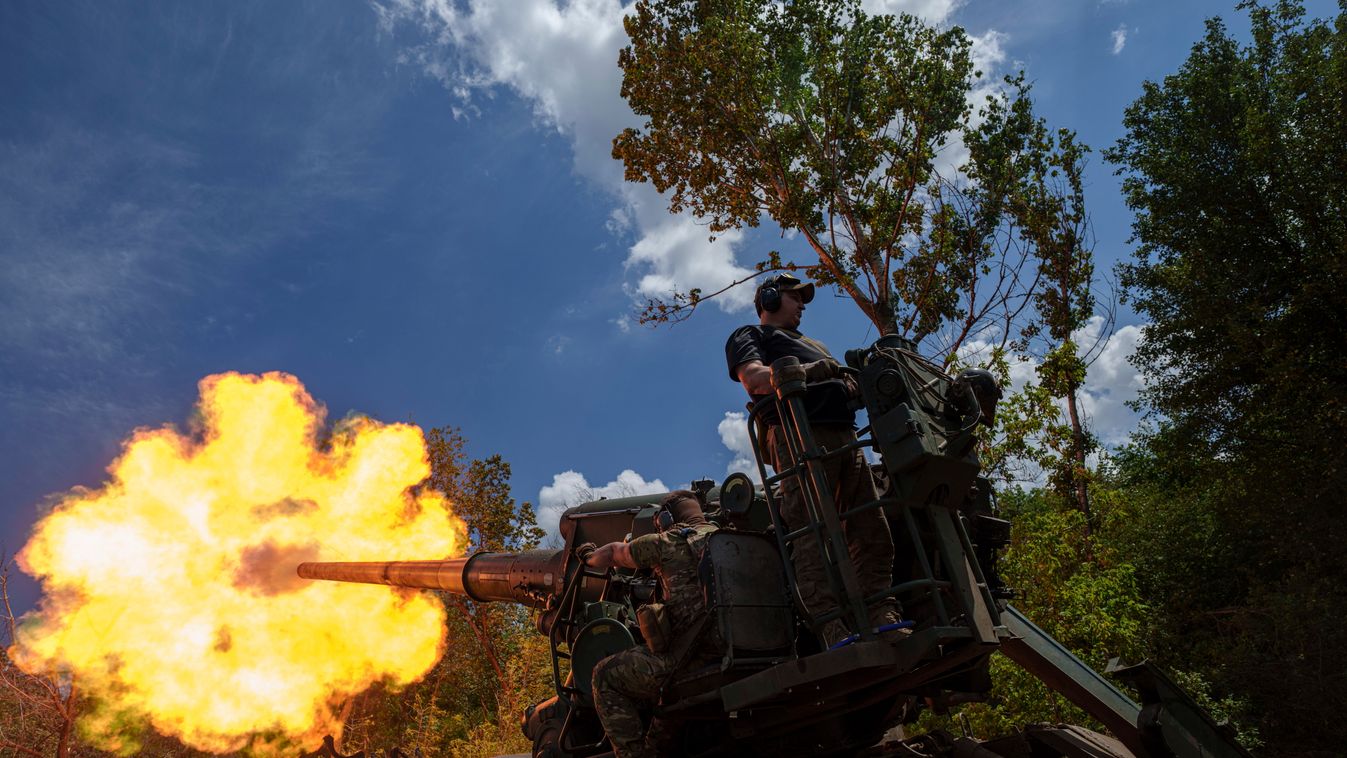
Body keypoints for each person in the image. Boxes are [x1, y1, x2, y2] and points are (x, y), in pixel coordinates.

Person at [724, 273, 899, 648]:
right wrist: (805, 372)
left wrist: (851, 385)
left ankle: (881, 611)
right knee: (811, 533)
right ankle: (832, 625)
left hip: (844, 437)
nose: (802, 304)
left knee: (871, 525)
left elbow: (839, 381)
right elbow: (755, 379)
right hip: (798, 437)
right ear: (769, 300)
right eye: (793, 297)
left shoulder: (815, 344)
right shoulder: (750, 336)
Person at [583, 490, 719, 758]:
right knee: (666, 702)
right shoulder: (728, 537)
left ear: (667, 518)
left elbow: (611, 553)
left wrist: (587, 556)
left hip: (694, 659)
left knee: (604, 676)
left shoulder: (667, 543)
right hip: (740, 651)